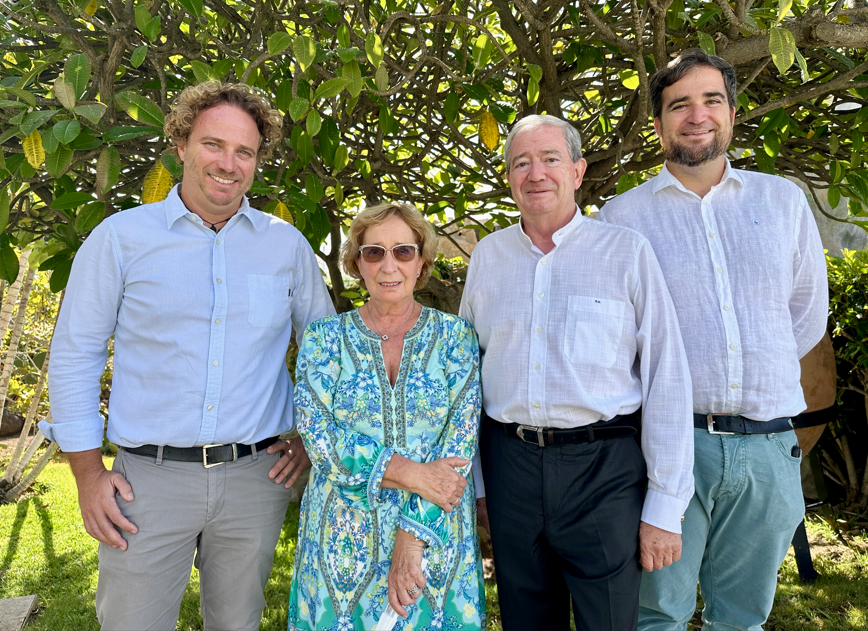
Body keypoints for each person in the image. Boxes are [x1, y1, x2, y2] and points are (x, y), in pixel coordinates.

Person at [39, 81, 335, 630]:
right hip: (146, 482)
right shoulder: (120, 239)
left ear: (256, 162)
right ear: (180, 145)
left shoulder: (286, 245)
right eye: (212, 144)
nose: (228, 163)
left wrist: (306, 437)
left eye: (244, 151)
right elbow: (75, 354)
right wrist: (84, 473)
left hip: (256, 479)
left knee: (239, 624)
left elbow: (327, 354)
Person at [597, 49, 828, 631]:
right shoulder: (621, 218)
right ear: (658, 125)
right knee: (658, 613)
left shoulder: (783, 202)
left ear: (731, 113)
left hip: (768, 447)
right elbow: (617, 339)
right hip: (670, 450)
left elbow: (804, 313)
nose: (697, 115)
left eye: (711, 100)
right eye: (680, 105)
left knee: (744, 617)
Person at [459, 114, 694, 631]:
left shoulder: (625, 252)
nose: (536, 173)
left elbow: (666, 378)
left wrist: (665, 505)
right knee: (525, 619)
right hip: (510, 466)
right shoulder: (488, 257)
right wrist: (476, 481)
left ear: (578, 170)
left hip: (603, 470)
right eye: (521, 162)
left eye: (550, 159)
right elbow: (464, 380)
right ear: (508, 176)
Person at [288, 202, 485, 631]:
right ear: (357, 264)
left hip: (434, 538)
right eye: (374, 252)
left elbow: (459, 448)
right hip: (342, 544)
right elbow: (320, 438)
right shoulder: (324, 340)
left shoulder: (456, 338)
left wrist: (410, 540)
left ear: (422, 262)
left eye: (403, 251)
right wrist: (411, 472)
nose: (388, 264)